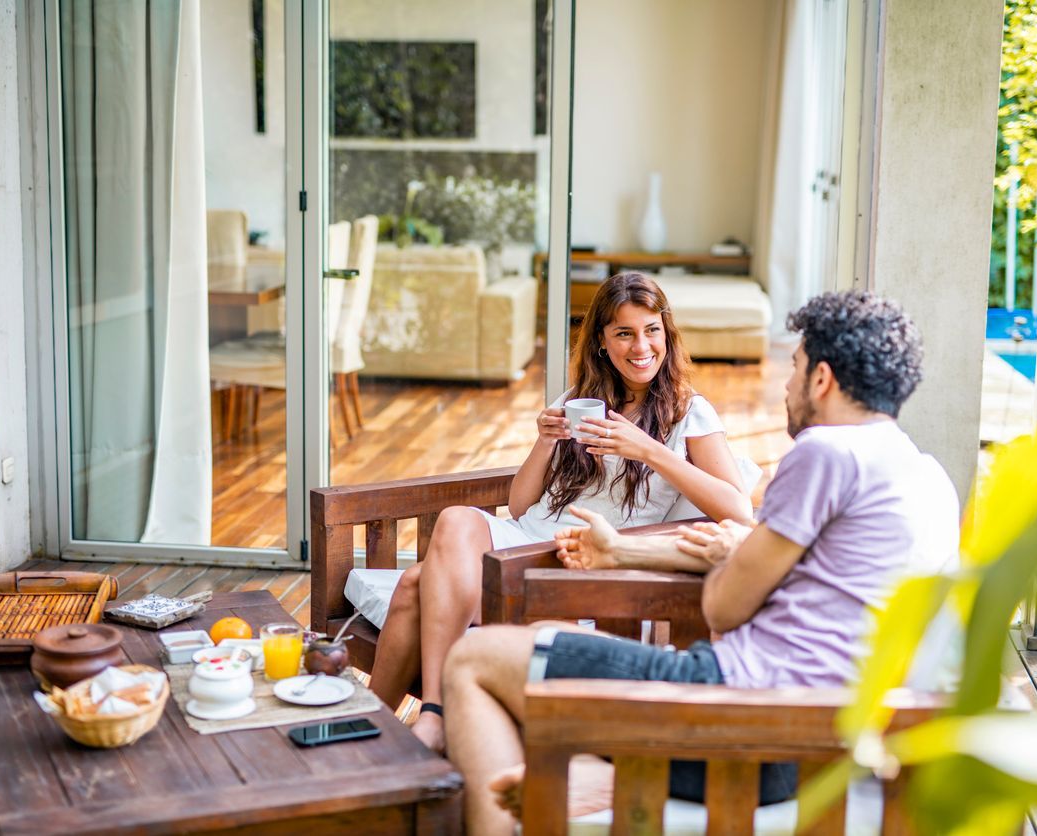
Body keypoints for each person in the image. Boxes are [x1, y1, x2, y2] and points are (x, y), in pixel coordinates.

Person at [441, 290, 962, 834]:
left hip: (745, 722)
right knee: (547, 633)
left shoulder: (827, 453)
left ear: (823, 379)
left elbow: (724, 607)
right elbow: (790, 565)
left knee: (475, 657)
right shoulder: (926, 477)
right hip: (820, 730)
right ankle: (593, 774)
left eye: (795, 367)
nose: (786, 385)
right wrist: (634, 550)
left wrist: (732, 561)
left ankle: (572, 785)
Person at [369, 272, 753, 753]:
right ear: (601, 343)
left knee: (412, 586)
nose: (641, 347)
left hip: (584, 559)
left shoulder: (688, 412)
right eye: (624, 333)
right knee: (457, 519)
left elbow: (739, 510)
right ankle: (422, 719)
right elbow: (518, 505)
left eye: (652, 330)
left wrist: (648, 450)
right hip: (529, 540)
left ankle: (392, 731)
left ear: (667, 334)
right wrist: (545, 439)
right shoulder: (577, 403)